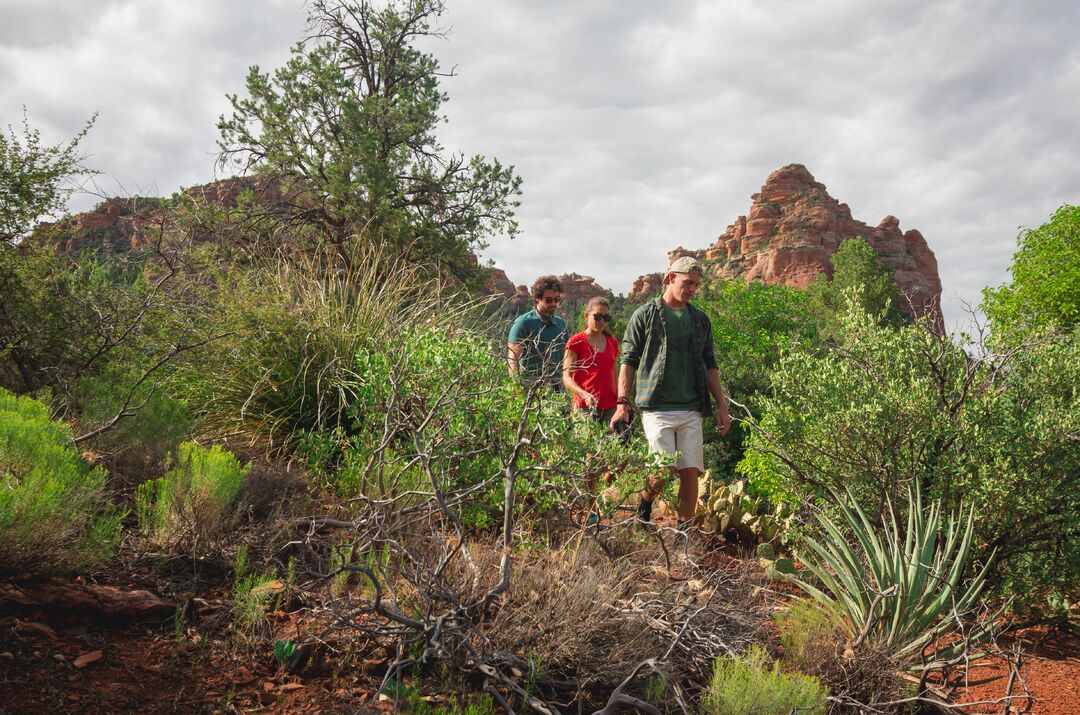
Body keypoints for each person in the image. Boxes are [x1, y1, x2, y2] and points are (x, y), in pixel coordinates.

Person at [610, 256, 731, 525]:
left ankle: (684, 531)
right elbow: (628, 360)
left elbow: (710, 363)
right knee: (664, 469)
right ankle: (645, 502)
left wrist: (722, 405)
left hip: (691, 407)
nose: (692, 289)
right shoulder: (644, 314)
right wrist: (622, 402)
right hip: (657, 406)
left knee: (690, 471)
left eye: (696, 285)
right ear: (670, 278)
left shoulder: (700, 320)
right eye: (688, 282)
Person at [563, 296, 619, 423]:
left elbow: (615, 374)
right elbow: (566, 377)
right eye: (598, 316)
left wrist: (620, 401)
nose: (602, 321)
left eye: (606, 318)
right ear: (586, 316)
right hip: (585, 407)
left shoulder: (612, 342)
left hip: (611, 408)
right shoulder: (576, 342)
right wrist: (585, 395)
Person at [508, 275, 568, 390]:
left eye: (557, 299)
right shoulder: (523, 323)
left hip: (558, 388)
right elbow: (513, 360)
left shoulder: (561, 324)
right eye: (549, 300)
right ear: (537, 298)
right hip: (531, 387)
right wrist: (516, 388)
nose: (554, 303)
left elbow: (566, 358)